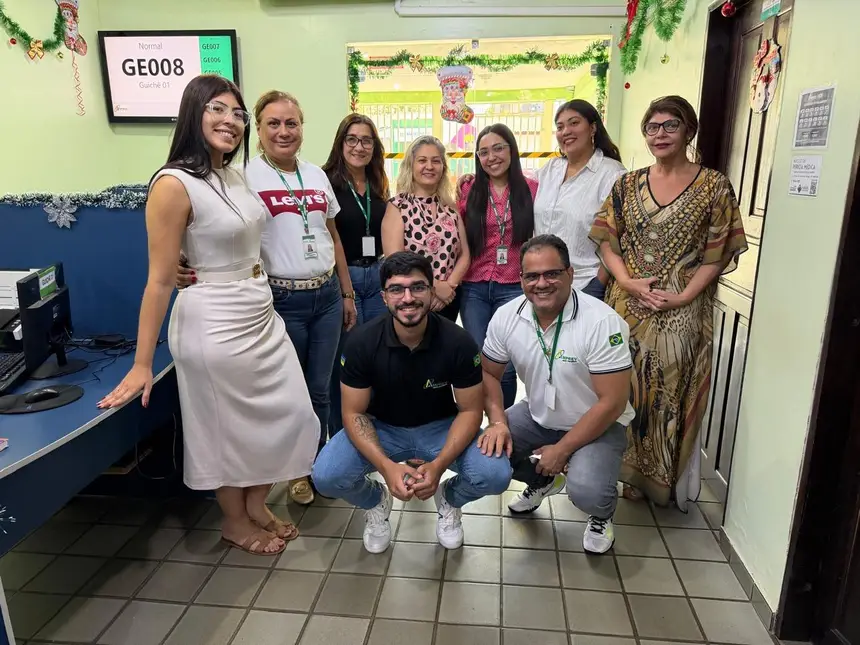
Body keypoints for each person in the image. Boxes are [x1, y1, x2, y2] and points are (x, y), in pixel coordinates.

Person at [99, 75, 319, 556]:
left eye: (237, 114)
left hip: (259, 310)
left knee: (291, 414)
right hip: (213, 321)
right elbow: (159, 280)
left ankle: (256, 503)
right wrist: (142, 363)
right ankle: (235, 521)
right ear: (192, 114)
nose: (231, 121)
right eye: (217, 109)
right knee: (228, 430)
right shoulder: (172, 184)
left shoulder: (234, 175)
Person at [178, 91, 356, 505]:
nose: (283, 131)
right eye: (273, 123)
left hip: (327, 296)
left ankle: (313, 465)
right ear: (257, 129)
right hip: (278, 299)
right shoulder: (241, 177)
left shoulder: (316, 175)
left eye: (291, 123)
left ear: (302, 128)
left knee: (320, 389)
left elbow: (332, 237)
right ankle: (289, 470)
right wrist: (181, 261)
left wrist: (346, 292)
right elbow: (210, 228)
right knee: (288, 394)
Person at [589, 95, 748, 510]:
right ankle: (613, 471)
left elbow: (718, 254)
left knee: (665, 395)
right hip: (626, 307)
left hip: (680, 312)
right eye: (652, 127)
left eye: (670, 125)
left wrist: (683, 295)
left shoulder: (713, 186)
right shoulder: (627, 185)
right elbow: (606, 241)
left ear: (688, 130)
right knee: (618, 390)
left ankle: (656, 479)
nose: (659, 134)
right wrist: (627, 281)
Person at [311, 251, 512, 554]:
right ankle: (375, 501)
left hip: (441, 427)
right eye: (397, 289)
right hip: (382, 428)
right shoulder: (361, 343)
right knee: (326, 476)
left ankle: (450, 499)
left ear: (431, 292)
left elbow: (471, 410)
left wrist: (439, 466)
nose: (408, 298)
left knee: (495, 475)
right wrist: (386, 467)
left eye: (417, 287)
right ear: (384, 297)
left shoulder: (458, 342)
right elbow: (353, 413)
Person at [479, 234, 634, 554]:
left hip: (599, 422)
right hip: (538, 414)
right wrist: (498, 423)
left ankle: (602, 514)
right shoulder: (507, 316)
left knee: (587, 490)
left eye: (552, 273)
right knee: (483, 457)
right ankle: (542, 481)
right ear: (521, 278)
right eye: (532, 276)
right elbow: (488, 374)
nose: (542, 283)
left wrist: (561, 450)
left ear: (570, 274)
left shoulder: (602, 322)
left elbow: (613, 402)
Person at [458, 124, 537, 410]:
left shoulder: (532, 189)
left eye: (498, 148)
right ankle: (485, 421)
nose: (491, 157)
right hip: (474, 287)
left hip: (513, 286)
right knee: (481, 358)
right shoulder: (468, 189)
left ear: (512, 150)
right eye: (483, 152)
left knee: (507, 362)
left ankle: (504, 423)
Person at [322, 114, 391, 437]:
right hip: (344, 278)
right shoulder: (326, 182)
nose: (359, 147)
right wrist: (346, 291)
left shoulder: (378, 183)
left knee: (377, 356)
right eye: (352, 139)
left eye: (366, 140)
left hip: (376, 277)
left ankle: (372, 432)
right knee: (346, 362)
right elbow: (331, 238)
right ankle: (343, 435)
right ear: (340, 143)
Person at [533, 99, 626, 300]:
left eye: (574, 123)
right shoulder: (550, 169)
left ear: (593, 128)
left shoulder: (612, 174)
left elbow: (618, 234)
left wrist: (598, 282)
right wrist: (471, 180)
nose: (566, 131)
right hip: (542, 285)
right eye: (560, 127)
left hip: (585, 283)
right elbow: (514, 186)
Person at [382, 135, 470, 322]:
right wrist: (434, 286)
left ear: (443, 167)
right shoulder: (397, 206)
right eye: (422, 160)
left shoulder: (450, 207)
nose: (429, 166)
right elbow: (396, 261)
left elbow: (464, 255)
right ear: (411, 166)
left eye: (436, 161)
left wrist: (449, 287)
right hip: (411, 299)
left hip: (448, 299)